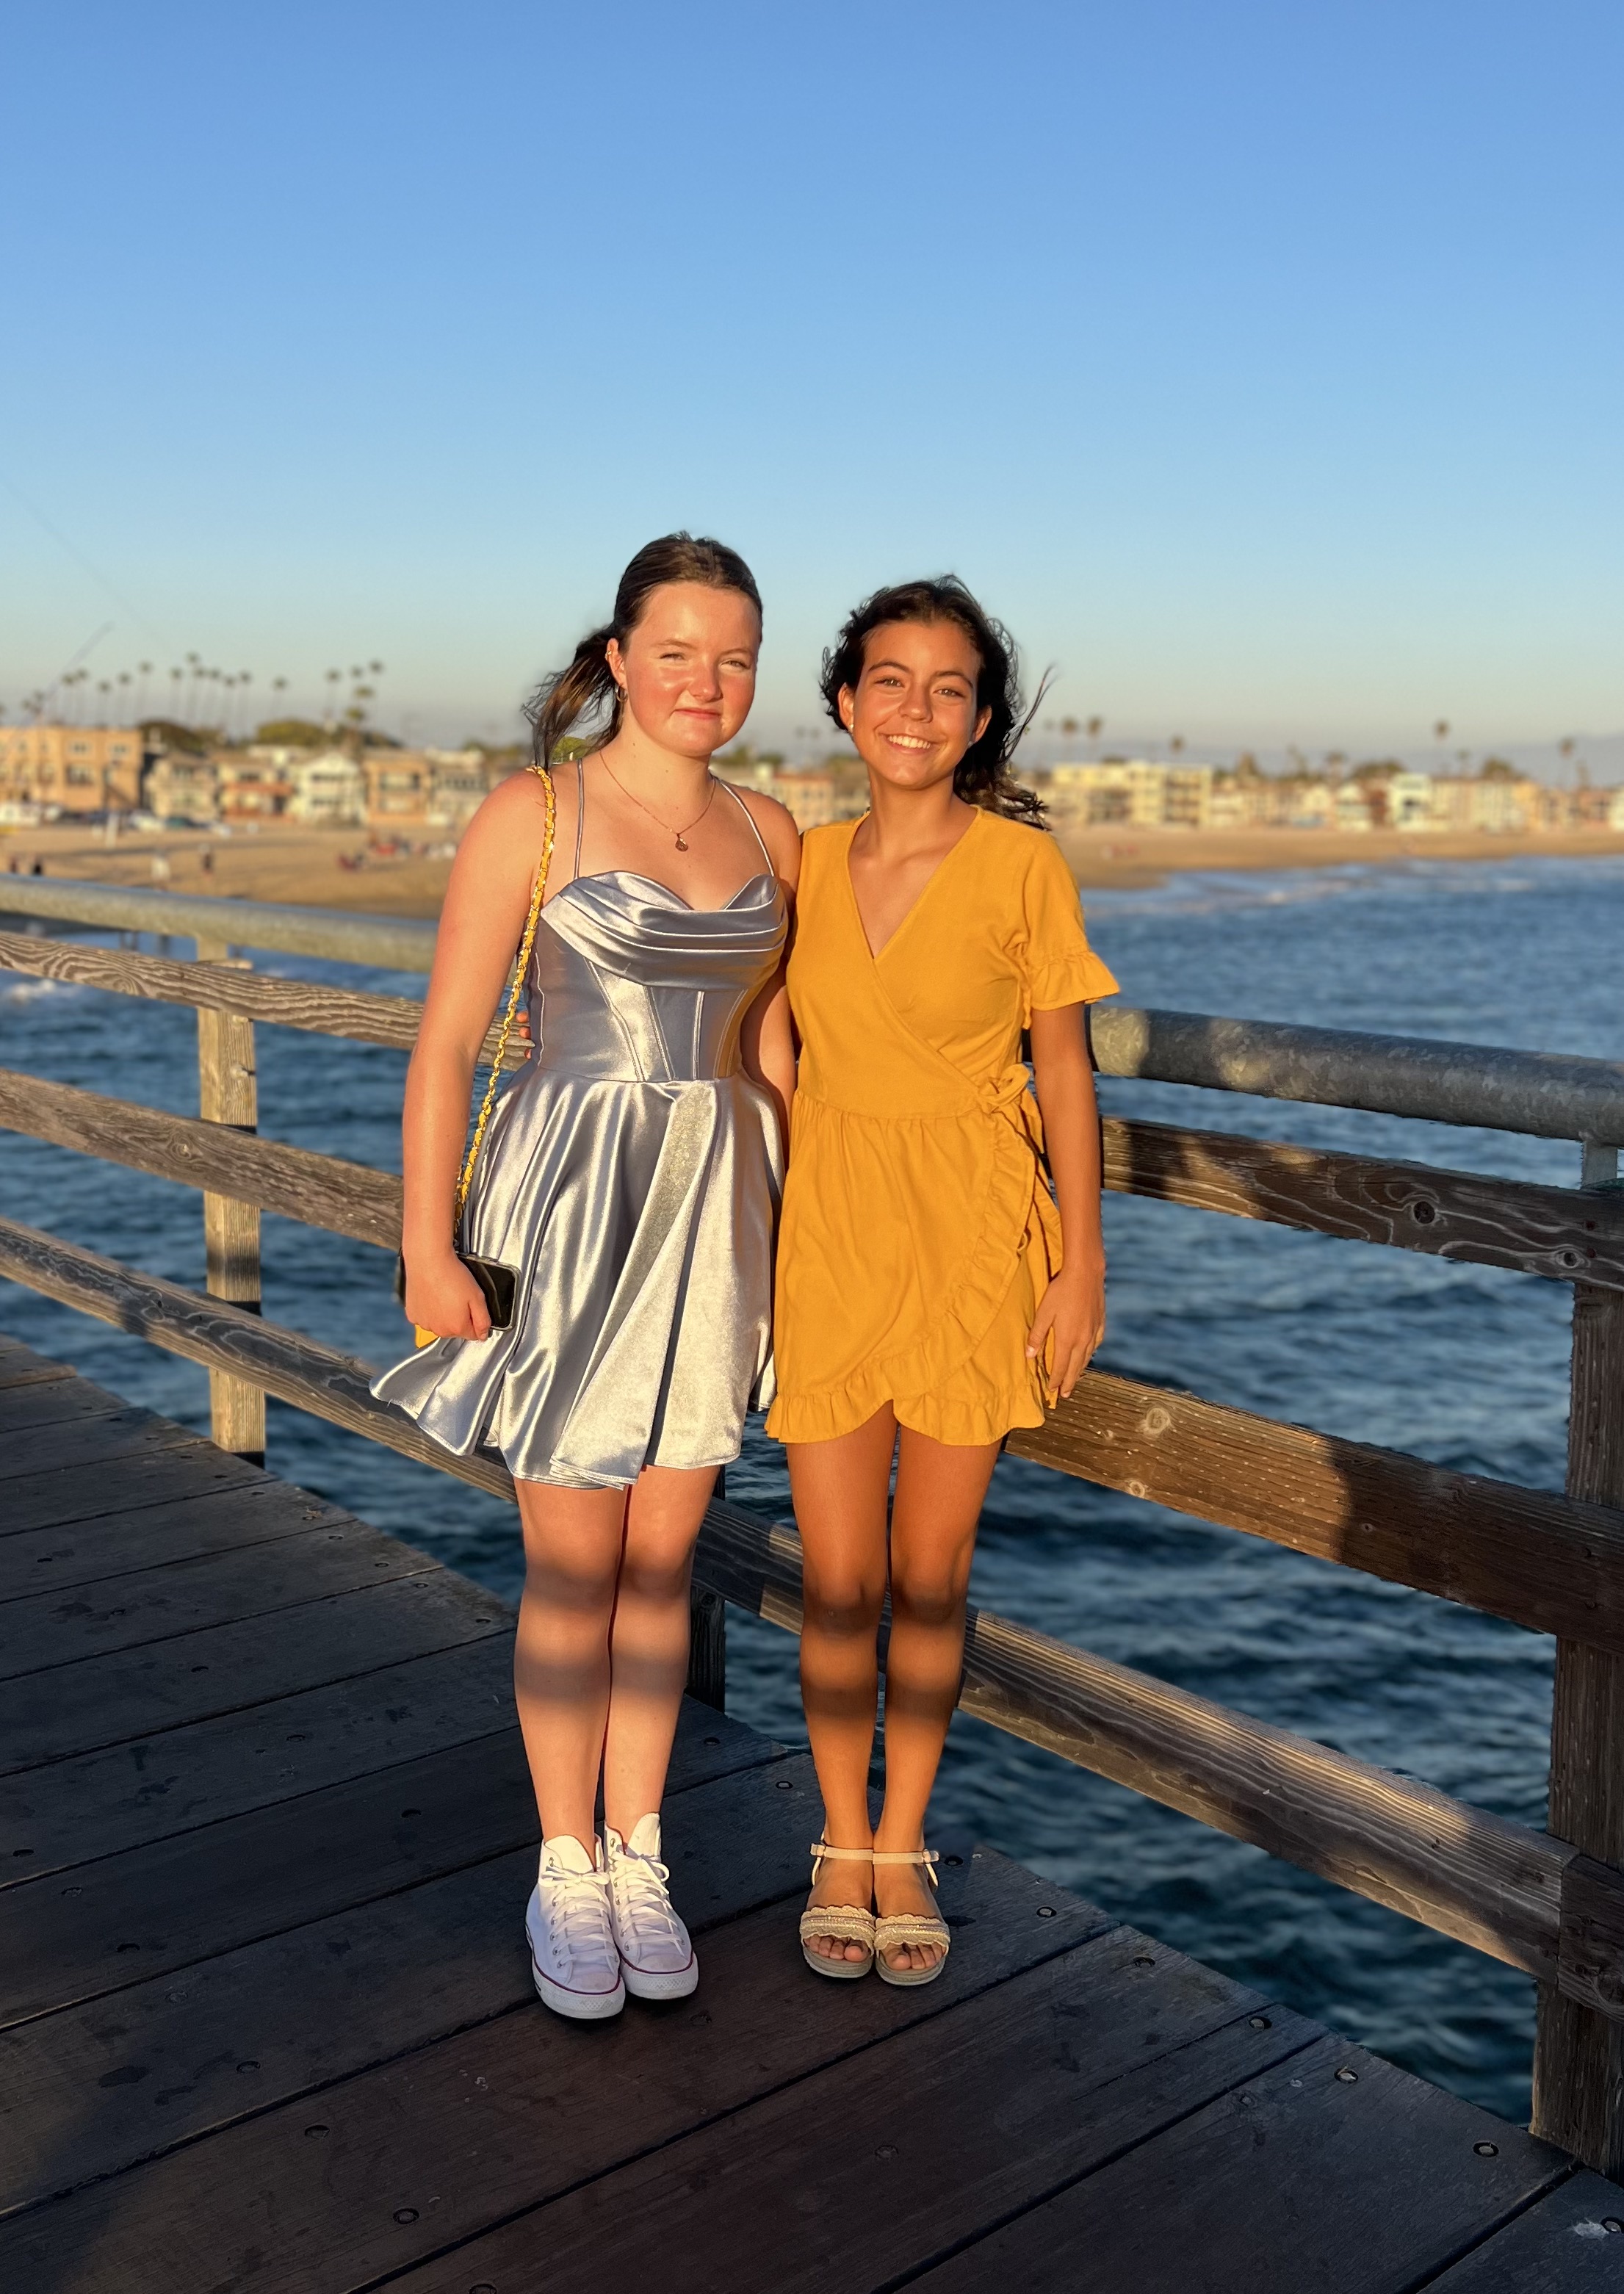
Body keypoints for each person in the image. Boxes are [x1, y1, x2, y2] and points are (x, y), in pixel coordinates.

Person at [375, 535, 798, 2020]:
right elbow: (444, 1043)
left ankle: (638, 1850)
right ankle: (562, 1861)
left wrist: (799, 1240)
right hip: (568, 1203)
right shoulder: (534, 811)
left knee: (662, 1565)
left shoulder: (770, 826)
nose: (705, 681)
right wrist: (426, 1243)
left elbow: (773, 1053)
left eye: (733, 657)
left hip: (719, 1218)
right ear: (618, 657)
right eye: (675, 651)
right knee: (572, 1565)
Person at [766, 577, 1116, 1985]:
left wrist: (1081, 1264)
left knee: (929, 1574)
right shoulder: (800, 860)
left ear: (980, 721)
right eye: (891, 681)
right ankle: (839, 1839)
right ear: (846, 702)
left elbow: (1065, 1072)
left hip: (975, 1239)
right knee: (837, 1580)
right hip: (830, 1233)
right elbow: (759, 1047)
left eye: (949, 688)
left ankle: (903, 1840)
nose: (917, 709)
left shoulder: (1022, 866)